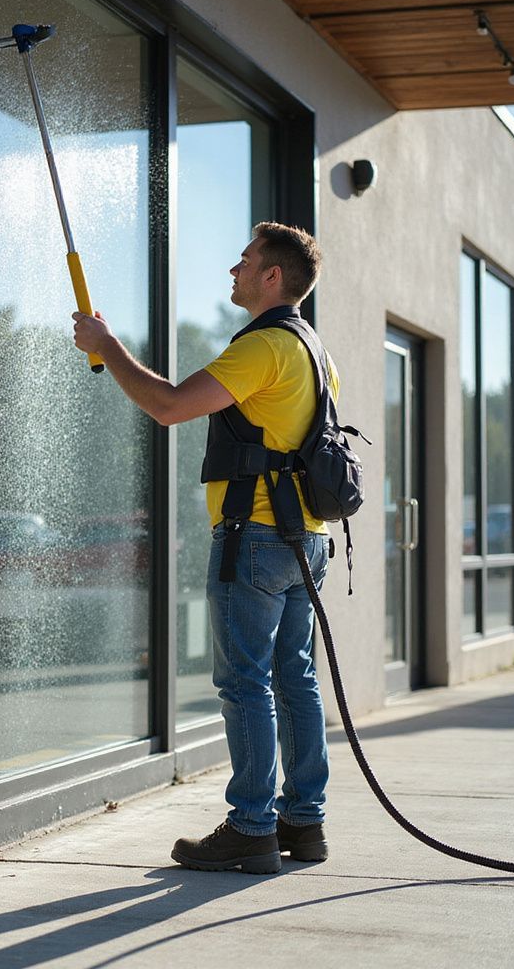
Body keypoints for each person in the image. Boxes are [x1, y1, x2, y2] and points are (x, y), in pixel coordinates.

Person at [72, 222, 336, 874]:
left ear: (272, 277)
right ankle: (303, 823)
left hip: (258, 541)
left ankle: (251, 827)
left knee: (245, 681)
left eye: (244, 261)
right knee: (294, 677)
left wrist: (108, 345)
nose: (233, 270)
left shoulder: (266, 346)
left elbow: (168, 405)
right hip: (308, 539)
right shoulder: (314, 349)